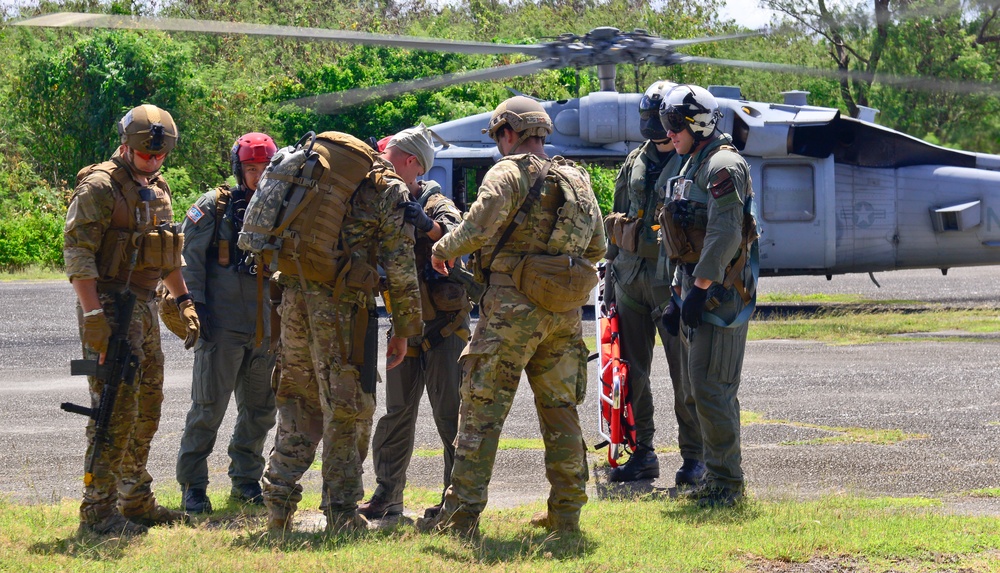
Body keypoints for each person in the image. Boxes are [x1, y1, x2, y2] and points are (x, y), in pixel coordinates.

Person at [422, 96, 606, 538]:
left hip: (509, 312)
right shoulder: (575, 177)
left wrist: (442, 248)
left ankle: (460, 518)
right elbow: (597, 247)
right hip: (562, 312)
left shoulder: (505, 172)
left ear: (508, 132)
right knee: (561, 413)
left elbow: (477, 228)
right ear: (541, 133)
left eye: (498, 135)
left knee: (481, 412)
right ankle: (566, 517)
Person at [261, 132, 422, 535]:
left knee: (298, 399)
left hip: (294, 296)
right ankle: (342, 511)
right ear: (407, 160)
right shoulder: (385, 188)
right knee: (349, 408)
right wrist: (404, 328)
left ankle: (278, 503)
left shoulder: (320, 169)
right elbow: (400, 266)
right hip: (342, 309)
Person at [65, 104, 200, 536]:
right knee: (111, 410)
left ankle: (135, 499)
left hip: (143, 307)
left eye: (161, 156)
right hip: (107, 308)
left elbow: (167, 255)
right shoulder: (100, 187)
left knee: (147, 408)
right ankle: (98, 511)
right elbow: (78, 253)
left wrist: (183, 301)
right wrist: (91, 315)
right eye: (146, 155)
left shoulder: (158, 189)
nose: (154, 161)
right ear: (127, 145)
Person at [358, 125, 467, 521]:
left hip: (444, 333)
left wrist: (424, 223)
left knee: (450, 416)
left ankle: (453, 500)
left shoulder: (435, 201)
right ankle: (388, 495)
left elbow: (457, 237)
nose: (381, 167)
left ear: (411, 163)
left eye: (389, 159)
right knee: (395, 417)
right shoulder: (383, 204)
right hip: (405, 330)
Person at [659, 84, 757, 507]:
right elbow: (682, 236)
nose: (668, 133)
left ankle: (727, 485)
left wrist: (698, 290)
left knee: (712, 388)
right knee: (697, 389)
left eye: (674, 124)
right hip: (695, 292)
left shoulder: (722, 166)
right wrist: (677, 296)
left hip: (720, 298)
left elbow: (724, 233)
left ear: (697, 123)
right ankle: (718, 476)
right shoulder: (691, 165)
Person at [603, 80, 705, 486]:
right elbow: (617, 216)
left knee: (685, 376)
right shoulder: (634, 160)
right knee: (632, 373)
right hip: (630, 279)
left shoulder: (690, 163)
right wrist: (610, 271)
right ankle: (643, 452)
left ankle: (694, 456)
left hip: (671, 284)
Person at [175, 132, 279, 514]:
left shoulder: (285, 207)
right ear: (239, 169)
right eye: (251, 169)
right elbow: (188, 260)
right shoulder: (214, 206)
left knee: (260, 411)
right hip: (220, 328)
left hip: (267, 331)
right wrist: (194, 310)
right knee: (208, 409)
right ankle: (193, 487)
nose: (258, 176)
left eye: (265, 168)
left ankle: (246, 481)